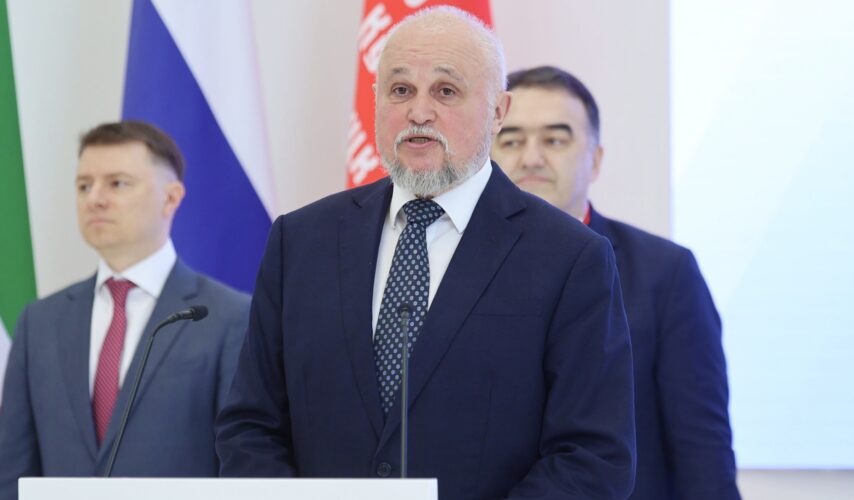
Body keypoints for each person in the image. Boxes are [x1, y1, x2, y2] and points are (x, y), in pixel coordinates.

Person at [216, 7, 636, 500]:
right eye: (400, 90)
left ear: (498, 111)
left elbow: (590, 456)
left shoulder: (570, 258)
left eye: (446, 91)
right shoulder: (300, 241)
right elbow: (251, 426)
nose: (418, 112)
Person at [492, 65, 740, 500]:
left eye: (555, 140)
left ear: (595, 159)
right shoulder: (453, 266)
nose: (530, 158)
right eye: (511, 141)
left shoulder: (665, 273)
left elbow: (702, 456)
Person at [0, 121, 249, 499]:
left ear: (171, 198)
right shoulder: (40, 322)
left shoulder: (229, 317)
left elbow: (241, 465)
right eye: (84, 186)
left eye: (117, 183)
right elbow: (12, 471)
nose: (95, 199)